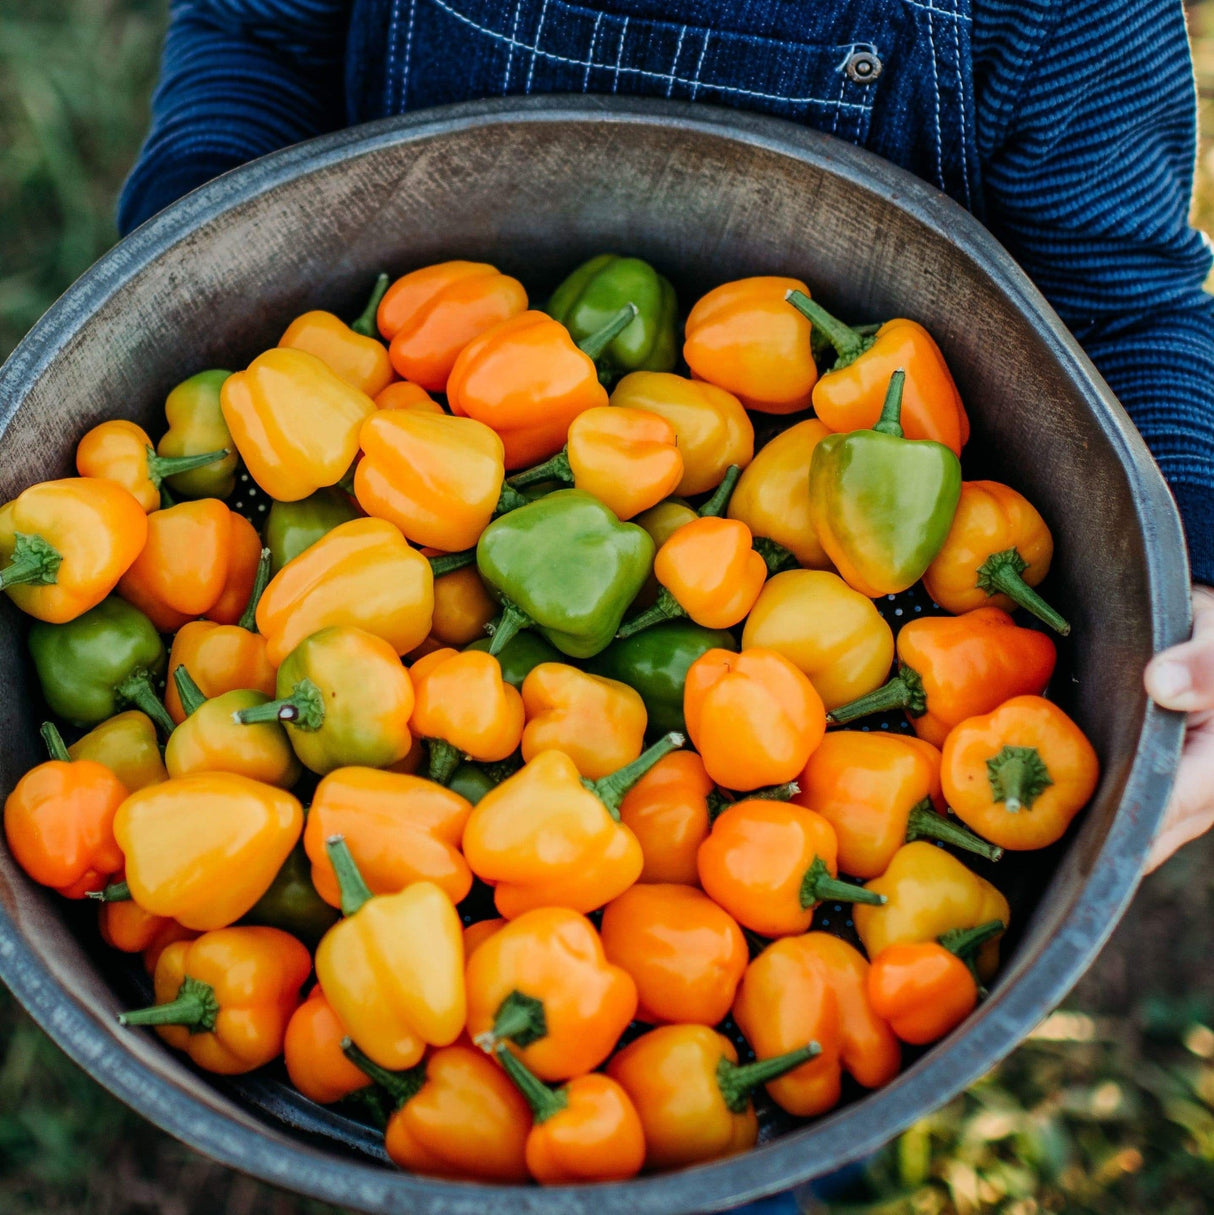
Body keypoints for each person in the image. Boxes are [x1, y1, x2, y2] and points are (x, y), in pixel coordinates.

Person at [118, 0, 1213, 865]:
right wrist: (187, 273)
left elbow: (1126, 307)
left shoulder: (1056, 15)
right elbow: (256, 37)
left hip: (863, 581)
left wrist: (1196, 565)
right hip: (430, 410)